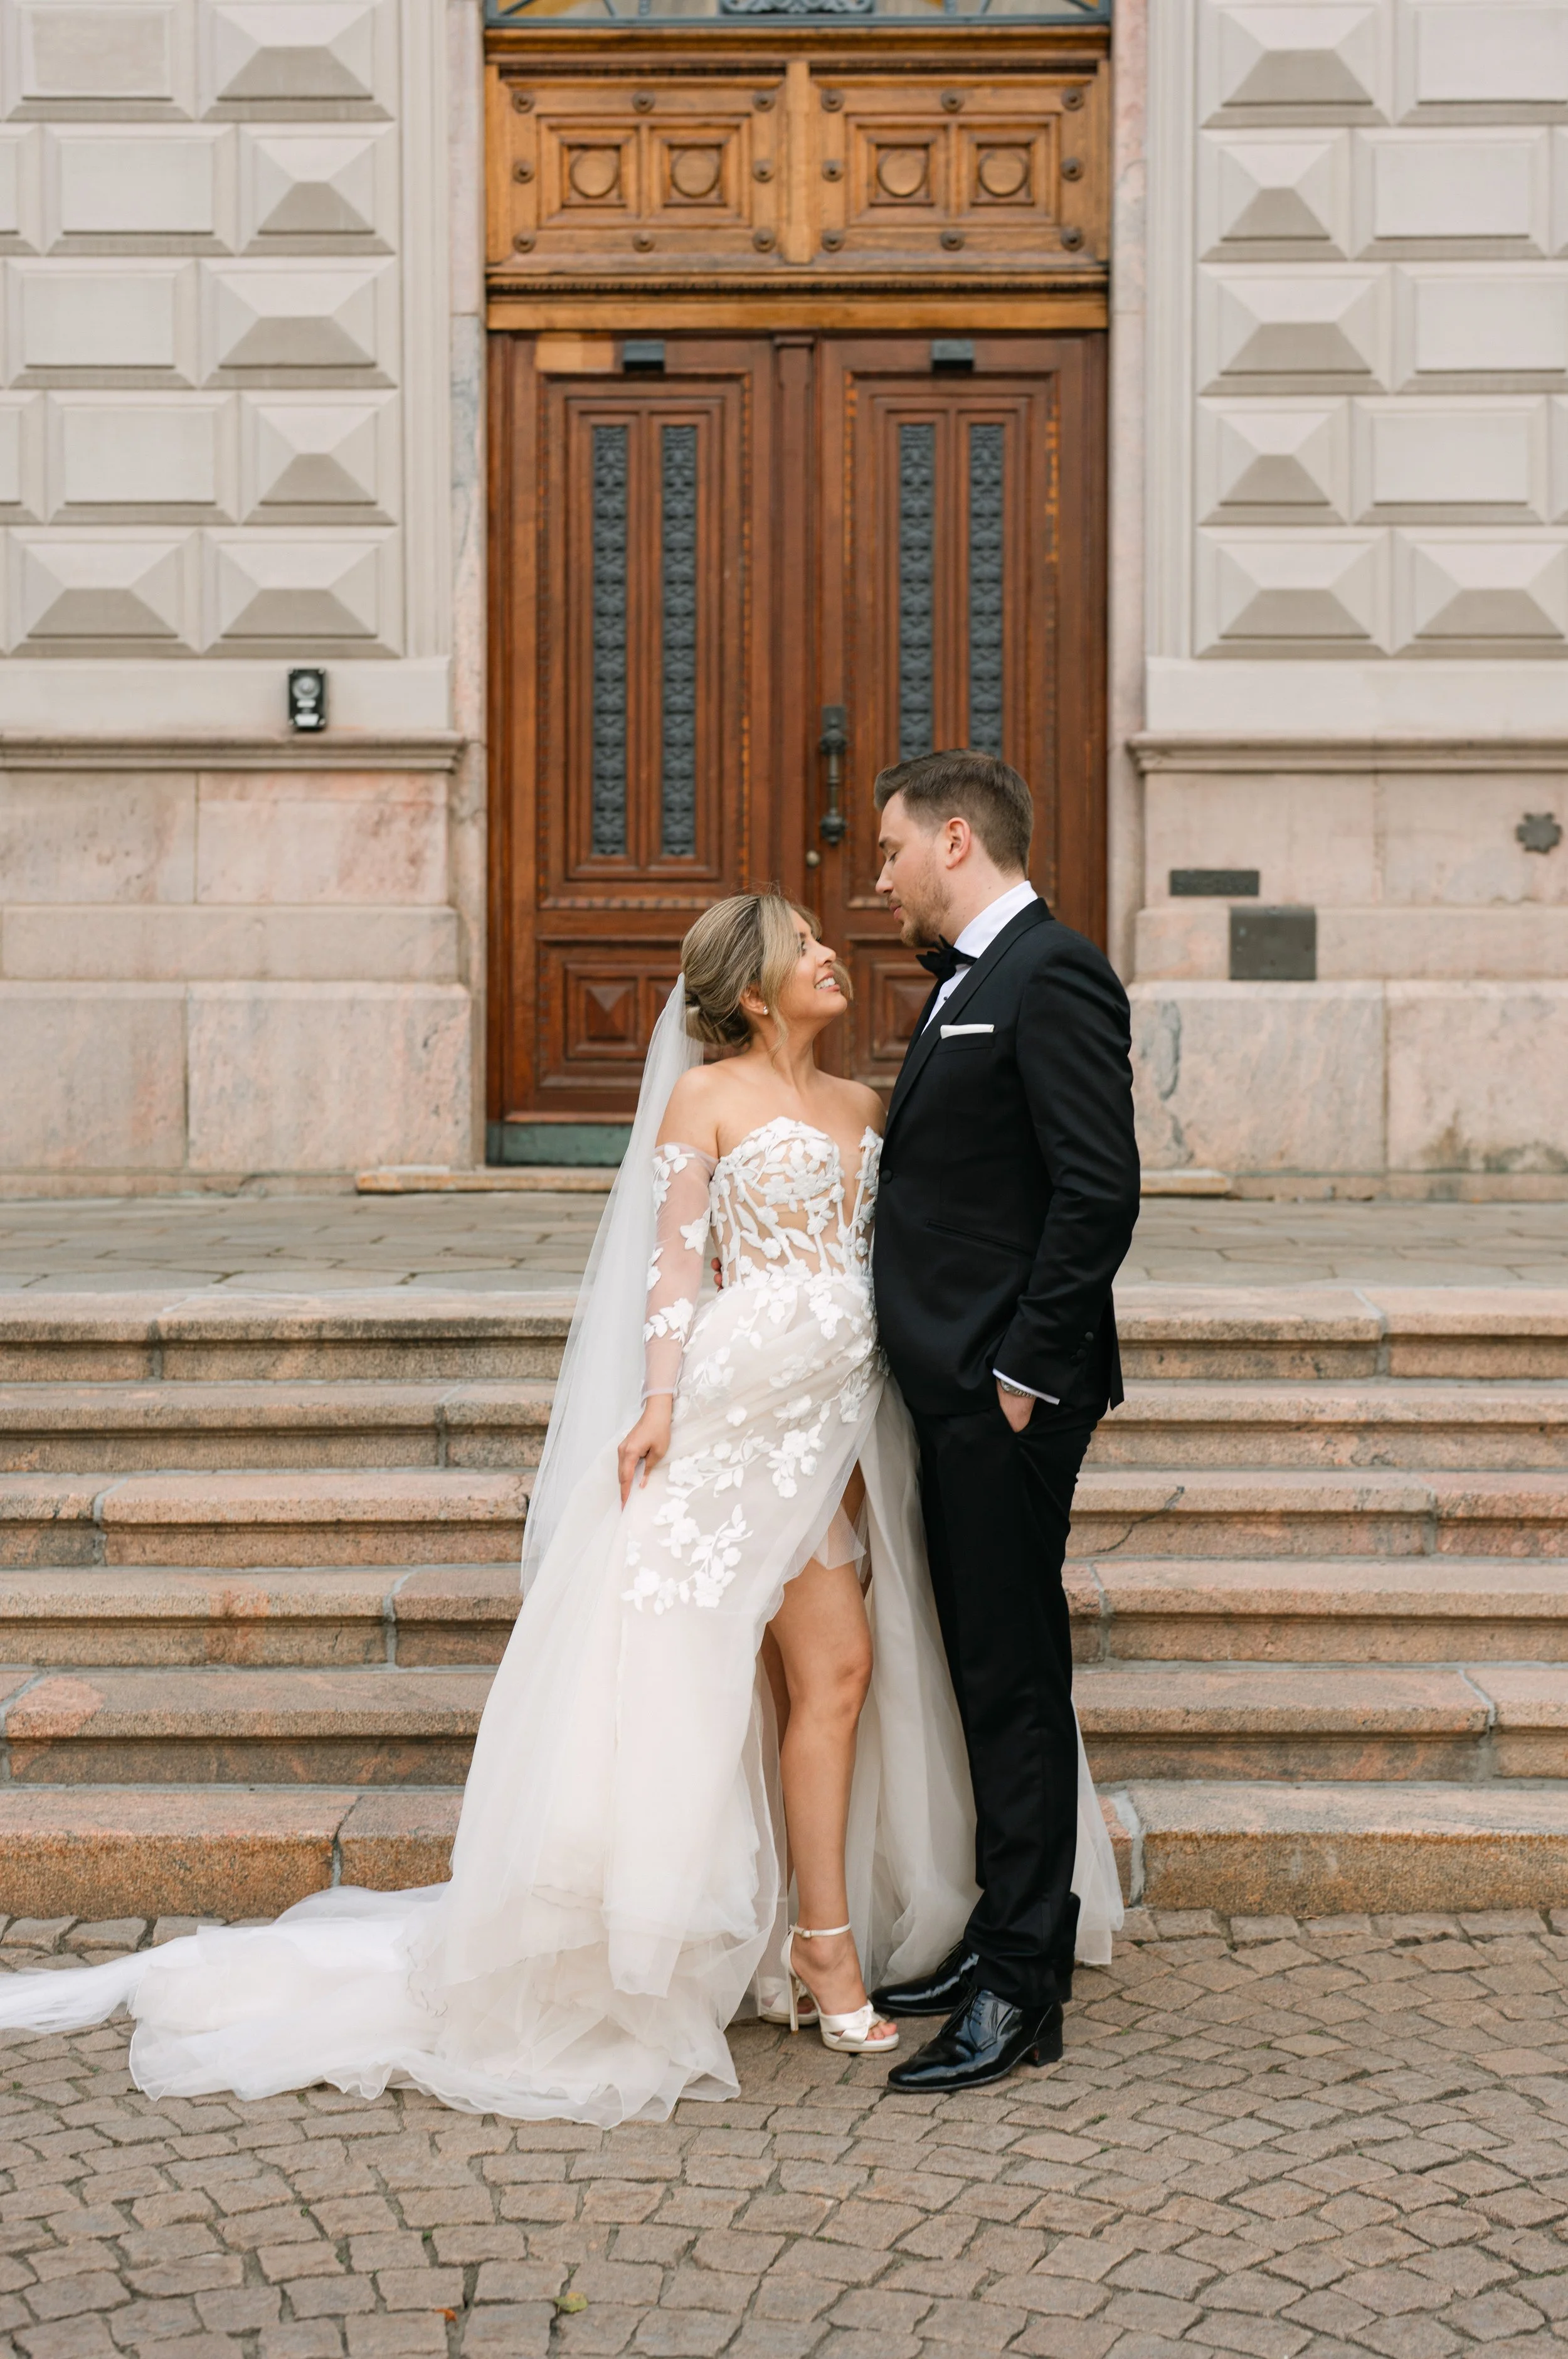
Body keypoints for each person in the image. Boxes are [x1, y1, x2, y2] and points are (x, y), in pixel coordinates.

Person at [0, 891, 1121, 2125]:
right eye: (801, 943)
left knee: (840, 1674)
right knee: (702, 1682)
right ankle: (743, 1940)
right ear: (751, 988)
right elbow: (674, 1264)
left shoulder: (868, 1103)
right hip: (733, 1418)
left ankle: (818, 1940)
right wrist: (654, 1403)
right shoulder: (703, 1099)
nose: (827, 953)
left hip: (840, 1424)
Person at [867, 751, 1141, 2094]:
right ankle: (996, 1931)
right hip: (956, 1384)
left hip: (1003, 1394)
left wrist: (1023, 1372)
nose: (880, 878)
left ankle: (1022, 1989)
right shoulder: (972, 980)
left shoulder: (1053, 971)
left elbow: (1098, 1189)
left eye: (890, 852)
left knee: (1015, 1674)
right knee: (989, 1667)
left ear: (955, 839)